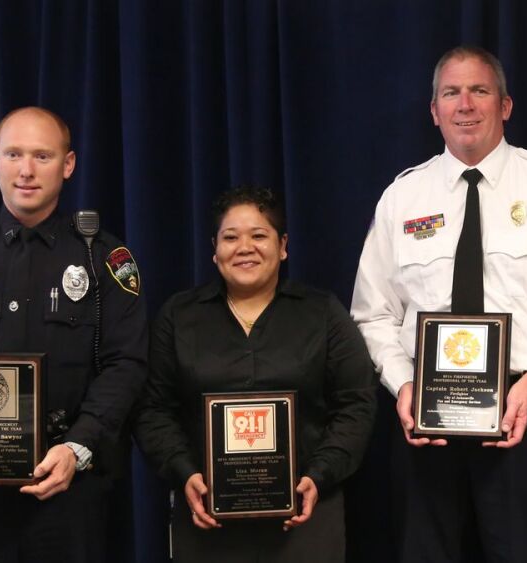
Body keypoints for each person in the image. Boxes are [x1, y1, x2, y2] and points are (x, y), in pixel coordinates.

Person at [351, 46, 527, 562]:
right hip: (425, 420)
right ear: (434, 110)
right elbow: (372, 313)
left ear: (506, 105)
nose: (465, 104)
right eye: (451, 93)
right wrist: (402, 384)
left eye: (479, 91)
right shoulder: (402, 198)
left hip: (523, 415)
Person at [0, 106, 148, 562]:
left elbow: (125, 364)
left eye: (43, 156)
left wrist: (78, 447)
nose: (26, 170)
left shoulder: (103, 259)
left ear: (68, 165)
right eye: (14, 154)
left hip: (66, 488)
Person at [133, 186, 377, 563]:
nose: (244, 247)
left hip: (305, 514)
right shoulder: (178, 317)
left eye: (259, 235)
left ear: (282, 246)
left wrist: (319, 475)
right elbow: (153, 409)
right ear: (214, 249)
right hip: (206, 516)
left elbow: (356, 404)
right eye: (231, 237)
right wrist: (185, 474)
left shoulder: (323, 313)